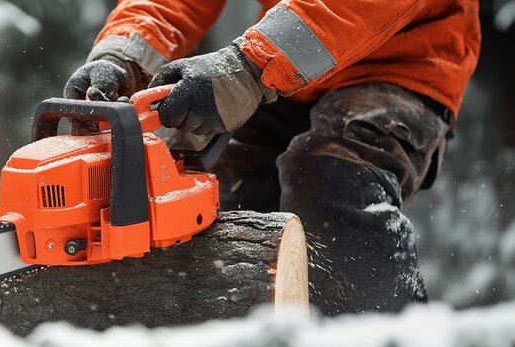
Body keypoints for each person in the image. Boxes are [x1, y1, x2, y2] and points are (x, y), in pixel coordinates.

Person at [64, 0, 480, 314]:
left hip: (403, 61)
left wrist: (250, 67)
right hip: (293, 68)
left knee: (331, 177)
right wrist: (123, 54)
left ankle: (387, 339)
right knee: (221, 189)